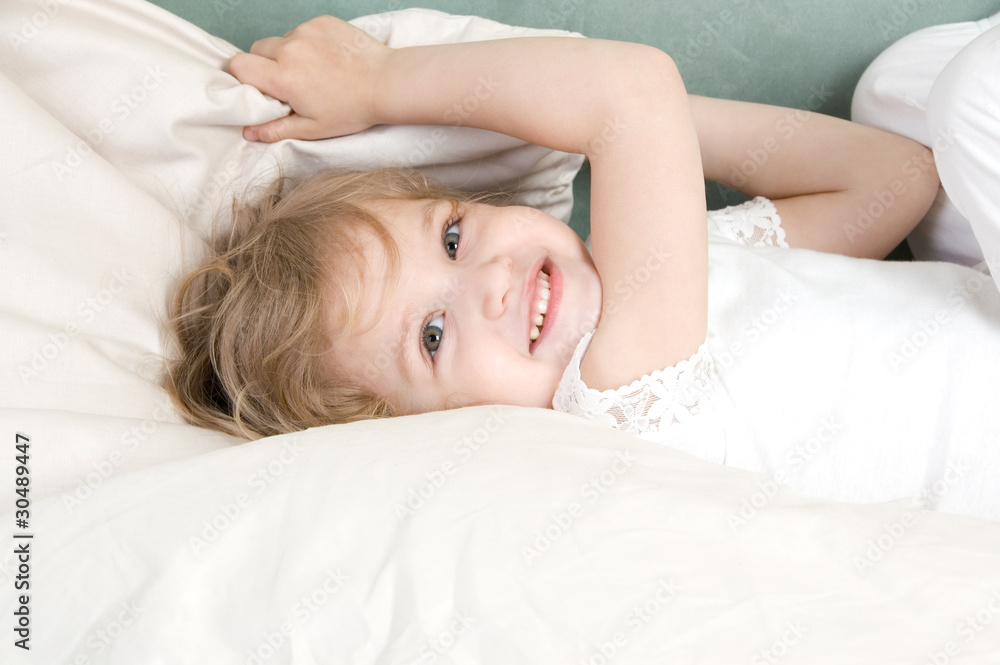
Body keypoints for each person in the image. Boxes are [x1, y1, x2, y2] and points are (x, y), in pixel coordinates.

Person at [166, 15, 1000, 521]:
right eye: (431, 335)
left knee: (902, 88)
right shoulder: (617, 402)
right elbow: (633, 86)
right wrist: (384, 84)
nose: (487, 280)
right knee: (967, 97)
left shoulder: (665, 282)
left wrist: (659, 146)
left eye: (453, 237)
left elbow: (892, 182)